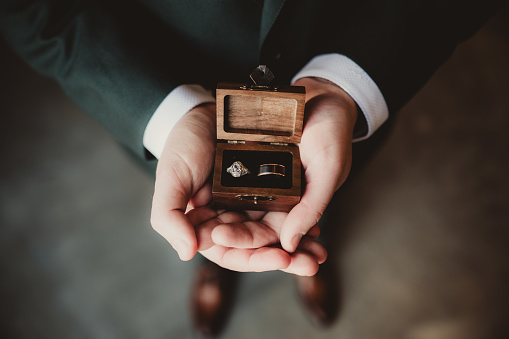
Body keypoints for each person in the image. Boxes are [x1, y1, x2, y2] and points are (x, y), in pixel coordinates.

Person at [1, 0, 505, 337]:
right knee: (201, 209)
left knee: (321, 190)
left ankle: (306, 238)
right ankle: (212, 260)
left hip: (350, 64)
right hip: (163, 72)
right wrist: (166, 113)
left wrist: (348, 86)